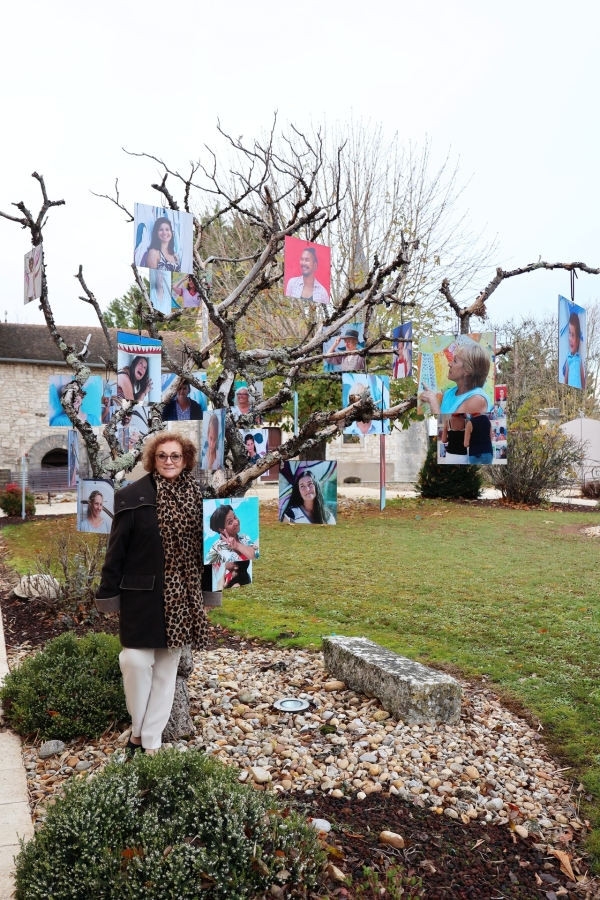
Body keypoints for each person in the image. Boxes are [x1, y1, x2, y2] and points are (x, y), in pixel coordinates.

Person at [96, 433, 208, 755]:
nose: (169, 461)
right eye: (162, 456)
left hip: (182, 599)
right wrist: (108, 596)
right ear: (152, 460)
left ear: (185, 459)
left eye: (175, 456)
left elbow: (212, 553)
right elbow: (115, 553)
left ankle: (148, 742)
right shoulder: (132, 496)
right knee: (133, 660)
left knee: (166, 672)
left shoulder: (199, 499)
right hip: (141, 599)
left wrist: (208, 596)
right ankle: (138, 728)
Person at [419, 342, 492, 415]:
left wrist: (432, 401)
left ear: (468, 370)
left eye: (455, 361)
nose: (449, 364)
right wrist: (431, 395)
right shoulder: (449, 393)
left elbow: (450, 422)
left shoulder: (478, 399)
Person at [206, 504, 258, 590]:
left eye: (235, 517)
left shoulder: (245, 538)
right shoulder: (216, 548)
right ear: (222, 529)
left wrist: (237, 546)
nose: (236, 522)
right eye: (230, 522)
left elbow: (255, 556)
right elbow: (209, 573)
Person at [564, 312, 585, 389]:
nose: (570, 339)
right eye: (569, 333)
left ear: (578, 340)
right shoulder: (568, 358)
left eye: (573, 335)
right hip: (570, 390)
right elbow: (566, 378)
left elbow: (583, 379)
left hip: (578, 390)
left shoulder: (579, 359)